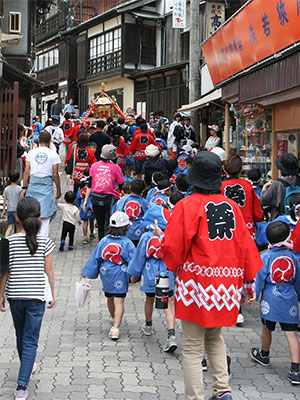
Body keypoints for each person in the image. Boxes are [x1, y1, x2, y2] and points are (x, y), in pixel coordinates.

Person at [157, 151, 263, 400]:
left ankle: (195, 397)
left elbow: (173, 247)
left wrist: (168, 262)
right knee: (215, 339)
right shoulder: (233, 207)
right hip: (225, 286)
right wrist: (248, 283)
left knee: (193, 348)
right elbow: (246, 246)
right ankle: (222, 391)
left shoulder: (187, 205)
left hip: (197, 284)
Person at [0, 197, 55, 400]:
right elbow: (48, 270)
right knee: (31, 340)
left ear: (17, 218)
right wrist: (52, 294)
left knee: (20, 336)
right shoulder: (45, 242)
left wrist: (1, 296)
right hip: (36, 296)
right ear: (39, 217)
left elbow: (4, 272)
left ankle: (26, 368)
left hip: (15, 295)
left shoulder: (8, 242)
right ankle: (22, 386)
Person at [250, 221, 300, 385]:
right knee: (291, 333)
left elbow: (259, 279)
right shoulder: (293, 257)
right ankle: (295, 369)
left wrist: (254, 296)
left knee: (266, 327)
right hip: (289, 298)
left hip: (271, 298)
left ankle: (264, 354)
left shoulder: (265, 257)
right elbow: (298, 281)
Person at [81, 211, 135, 340]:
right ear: (127, 227)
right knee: (119, 300)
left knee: (109, 297)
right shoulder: (127, 243)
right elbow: (133, 260)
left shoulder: (104, 240)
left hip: (106, 272)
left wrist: (86, 272)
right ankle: (116, 328)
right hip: (120, 272)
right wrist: (134, 275)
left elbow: (96, 258)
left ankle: (113, 318)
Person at [128, 223, 177, 352]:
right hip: (167, 270)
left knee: (149, 298)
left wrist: (134, 274)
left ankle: (148, 325)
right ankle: (171, 333)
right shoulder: (170, 236)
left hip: (150, 270)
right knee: (168, 303)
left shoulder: (146, 237)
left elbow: (139, 257)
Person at [22, 131, 62, 237]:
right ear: (49, 142)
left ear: (39, 141)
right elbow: (55, 174)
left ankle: (31, 237)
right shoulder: (54, 155)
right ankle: (43, 241)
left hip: (33, 184)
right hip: (47, 185)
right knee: (45, 215)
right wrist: (58, 190)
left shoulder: (31, 153)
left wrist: (24, 187)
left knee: (32, 213)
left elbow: (26, 171)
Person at [83, 144, 124, 240]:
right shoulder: (116, 168)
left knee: (99, 222)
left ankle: (101, 241)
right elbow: (121, 183)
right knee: (107, 222)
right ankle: (106, 242)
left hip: (95, 198)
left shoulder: (94, 166)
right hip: (109, 198)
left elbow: (90, 184)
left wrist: (85, 201)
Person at [222, 154, 263, 240]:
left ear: (225, 170)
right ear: (240, 170)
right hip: (247, 230)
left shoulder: (220, 187)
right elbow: (257, 213)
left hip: (226, 232)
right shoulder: (247, 185)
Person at [261, 153, 299, 221]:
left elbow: (263, 201)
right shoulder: (298, 180)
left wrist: (265, 187)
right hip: (297, 220)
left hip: (280, 221)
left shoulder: (277, 184)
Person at [113, 178, 148, 246]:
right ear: (143, 191)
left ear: (130, 187)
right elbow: (147, 217)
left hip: (124, 230)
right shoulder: (144, 202)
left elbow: (115, 213)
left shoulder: (122, 200)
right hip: (139, 232)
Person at [76, 169, 95, 244]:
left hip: (83, 205)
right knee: (92, 220)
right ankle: (91, 233)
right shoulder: (92, 186)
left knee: (85, 221)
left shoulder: (81, 186)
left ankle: (84, 237)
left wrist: (78, 205)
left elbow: (78, 197)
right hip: (91, 205)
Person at [1, 170, 22, 237]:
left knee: (9, 227)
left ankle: (5, 241)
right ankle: (17, 241)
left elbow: (4, 200)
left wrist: (4, 210)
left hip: (9, 210)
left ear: (9, 178)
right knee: (18, 227)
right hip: (17, 211)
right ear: (18, 179)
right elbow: (21, 200)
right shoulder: (19, 189)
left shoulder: (6, 189)